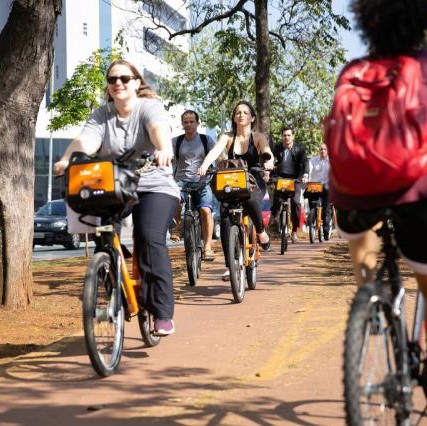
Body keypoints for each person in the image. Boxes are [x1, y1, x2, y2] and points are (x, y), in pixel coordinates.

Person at [331, 0, 427, 382]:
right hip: (416, 192)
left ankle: (369, 296)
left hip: (353, 195)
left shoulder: (353, 71)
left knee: (359, 234)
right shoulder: (422, 67)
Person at [53, 59, 180, 337]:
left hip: (153, 183)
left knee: (148, 237)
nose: (118, 83)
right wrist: (67, 160)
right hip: (117, 184)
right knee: (103, 235)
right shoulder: (101, 114)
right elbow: (86, 141)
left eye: (124, 78)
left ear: (136, 82)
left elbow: (159, 129)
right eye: (112, 80)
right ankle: (116, 287)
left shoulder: (149, 108)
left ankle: (161, 312)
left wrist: (163, 149)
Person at [198, 100, 274, 280]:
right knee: (225, 218)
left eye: (245, 112)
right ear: (233, 117)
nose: (241, 115)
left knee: (249, 198)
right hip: (232, 181)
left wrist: (268, 160)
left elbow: (266, 150)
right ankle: (230, 264)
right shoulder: (227, 136)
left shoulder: (258, 137)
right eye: (238, 112)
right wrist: (204, 165)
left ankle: (261, 231)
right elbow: (215, 151)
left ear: (252, 117)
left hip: (254, 180)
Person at [170, 110, 216, 261]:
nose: (188, 125)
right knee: (174, 199)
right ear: (182, 124)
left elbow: (216, 155)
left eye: (191, 122)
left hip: (202, 182)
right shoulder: (176, 141)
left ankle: (208, 247)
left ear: (197, 123)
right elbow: (168, 158)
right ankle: (178, 225)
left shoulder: (206, 140)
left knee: (205, 210)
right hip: (181, 181)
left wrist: (209, 166)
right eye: (186, 122)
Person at [269, 125, 309, 243]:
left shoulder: (299, 149)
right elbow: (271, 160)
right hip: (280, 177)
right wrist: (268, 172)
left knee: (296, 202)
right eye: (284, 135)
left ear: (293, 136)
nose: (286, 138)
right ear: (282, 137)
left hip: (295, 178)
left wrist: (305, 175)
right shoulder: (277, 148)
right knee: (277, 199)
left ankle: (294, 231)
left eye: (289, 135)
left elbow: (305, 162)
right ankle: (274, 218)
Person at [308, 143, 331, 240]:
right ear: (319, 150)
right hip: (315, 186)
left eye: (325, 149)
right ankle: (313, 218)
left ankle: (326, 231)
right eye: (321, 149)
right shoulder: (313, 160)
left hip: (326, 186)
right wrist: (306, 176)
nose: (323, 151)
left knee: (326, 210)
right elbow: (308, 169)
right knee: (313, 205)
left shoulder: (332, 161)